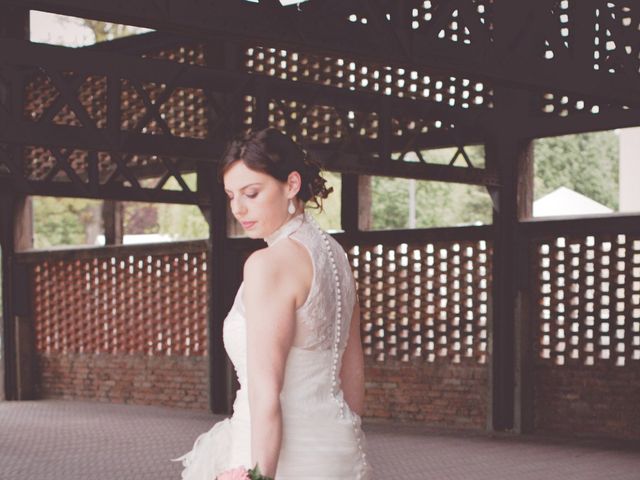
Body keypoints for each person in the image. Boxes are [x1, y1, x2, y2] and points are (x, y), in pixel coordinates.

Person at [171, 128, 373, 479]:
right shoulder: (335, 256)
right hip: (337, 448)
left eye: (252, 192)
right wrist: (346, 437)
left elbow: (267, 392)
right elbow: (352, 367)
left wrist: (260, 475)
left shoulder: (268, 265)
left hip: (275, 457)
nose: (238, 208)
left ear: (291, 185)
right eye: (231, 195)